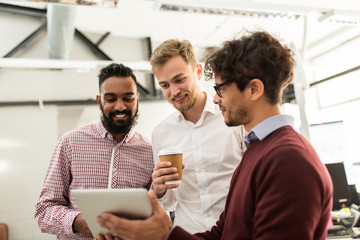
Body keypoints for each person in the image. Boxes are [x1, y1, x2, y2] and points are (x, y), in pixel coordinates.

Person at [96, 31, 333, 240]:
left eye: (221, 89)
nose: (216, 98)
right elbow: (224, 231)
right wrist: (161, 232)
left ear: (254, 89)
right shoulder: (258, 149)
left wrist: (163, 235)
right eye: (165, 85)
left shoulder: (289, 160)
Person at [34, 63, 154, 240]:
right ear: (100, 101)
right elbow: (43, 212)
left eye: (128, 98)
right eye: (111, 99)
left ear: (137, 99)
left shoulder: (150, 151)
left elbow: (157, 212)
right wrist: (76, 221)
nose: (120, 106)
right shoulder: (70, 143)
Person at [149, 39, 245, 233]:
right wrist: (159, 190)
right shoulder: (161, 133)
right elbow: (169, 204)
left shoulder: (233, 119)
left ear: (198, 71)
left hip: (236, 231)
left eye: (179, 80)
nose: (174, 91)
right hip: (189, 234)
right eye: (165, 85)